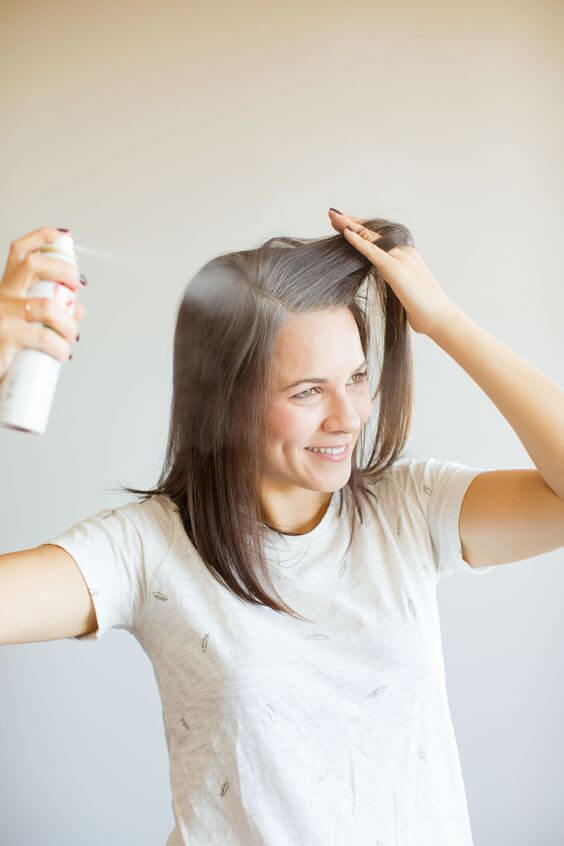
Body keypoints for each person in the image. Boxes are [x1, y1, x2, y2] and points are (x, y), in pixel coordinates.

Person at [2, 210, 563, 845]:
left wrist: (445, 321)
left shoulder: (409, 509)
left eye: (356, 378)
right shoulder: (147, 550)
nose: (348, 418)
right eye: (306, 392)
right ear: (224, 402)